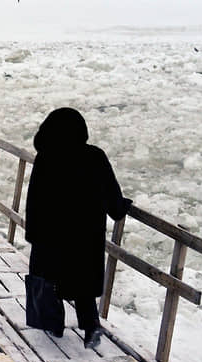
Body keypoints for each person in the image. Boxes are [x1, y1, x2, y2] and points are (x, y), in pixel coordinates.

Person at [24, 108, 131, 349]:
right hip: (85, 237)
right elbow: (112, 196)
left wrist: (34, 234)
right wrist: (120, 207)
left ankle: (53, 325)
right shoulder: (94, 157)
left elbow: (36, 199)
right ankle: (91, 326)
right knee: (81, 281)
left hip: (51, 236)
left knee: (51, 281)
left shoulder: (46, 158)